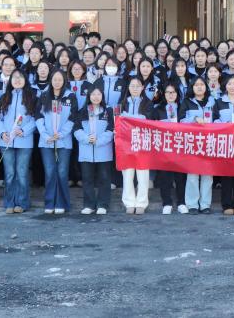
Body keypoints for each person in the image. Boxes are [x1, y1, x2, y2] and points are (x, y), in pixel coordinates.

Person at [0, 69, 38, 214]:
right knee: (9, 173)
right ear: (10, 81)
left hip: (24, 141)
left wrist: (24, 130)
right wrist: (2, 133)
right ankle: (9, 203)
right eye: (15, 77)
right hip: (6, 142)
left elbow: (36, 119)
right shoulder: (4, 97)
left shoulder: (31, 97)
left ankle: (22, 203)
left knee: (22, 173)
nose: (17, 80)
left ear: (25, 80)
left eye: (20, 77)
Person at [36, 69, 76, 215]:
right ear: (51, 80)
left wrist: (61, 134)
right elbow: (38, 116)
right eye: (55, 79)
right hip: (46, 141)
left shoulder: (70, 96)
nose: (57, 82)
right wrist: (45, 134)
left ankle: (61, 203)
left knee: (62, 172)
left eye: (60, 79)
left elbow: (73, 117)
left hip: (63, 141)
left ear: (64, 81)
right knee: (50, 172)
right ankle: (49, 203)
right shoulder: (44, 95)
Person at [75, 86, 114, 215]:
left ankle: (103, 204)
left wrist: (99, 140)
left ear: (102, 96)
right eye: (93, 94)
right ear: (89, 96)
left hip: (103, 150)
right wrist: (87, 138)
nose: (96, 97)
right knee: (87, 179)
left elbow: (111, 129)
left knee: (104, 178)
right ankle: (89, 205)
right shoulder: (82, 111)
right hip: (86, 151)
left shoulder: (108, 111)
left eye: (98, 94)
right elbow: (77, 129)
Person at [179, 76, 215, 214]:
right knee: (192, 174)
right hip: (192, 142)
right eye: (196, 85)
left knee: (208, 174)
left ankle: (205, 204)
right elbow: (181, 120)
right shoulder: (187, 102)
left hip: (209, 141)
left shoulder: (212, 101)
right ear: (192, 88)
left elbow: (218, 120)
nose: (199, 87)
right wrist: (194, 119)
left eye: (202, 84)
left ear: (206, 87)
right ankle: (192, 204)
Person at [119, 76, 153, 214]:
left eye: (138, 86)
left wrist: (128, 118)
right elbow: (119, 119)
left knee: (142, 173)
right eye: (132, 86)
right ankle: (129, 202)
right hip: (126, 142)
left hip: (143, 141)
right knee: (127, 173)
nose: (135, 88)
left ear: (142, 88)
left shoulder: (148, 103)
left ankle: (141, 203)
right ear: (128, 87)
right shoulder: (123, 102)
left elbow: (148, 120)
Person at [214, 75, 234, 215]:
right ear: (225, 86)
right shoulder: (219, 101)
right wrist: (225, 124)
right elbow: (214, 120)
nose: (232, 86)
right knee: (226, 174)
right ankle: (226, 204)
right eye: (229, 84)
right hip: (225, 141)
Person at [152, 82, 185, 214]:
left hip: (180, 146)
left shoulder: (182, 107)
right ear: (164, 94)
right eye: (167, 92)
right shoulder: (157, 109)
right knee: (165, 177)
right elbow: (152, 127)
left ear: (177, 94)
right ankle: (166, 203)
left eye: (173, 92)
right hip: (163, 147)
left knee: (180, 177)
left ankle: (181, 202)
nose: (170, 95)